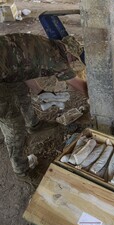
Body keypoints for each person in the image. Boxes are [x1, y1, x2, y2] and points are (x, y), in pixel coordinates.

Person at [0, 33, 88, 177]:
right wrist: (98, 99)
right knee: (12, 122)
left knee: (21, 89)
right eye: (73, 58)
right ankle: (20, 166)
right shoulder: (57, 59)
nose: (71, 62)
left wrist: (40, 92)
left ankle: (33, 124)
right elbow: (81, 86)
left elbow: (25, 69)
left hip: (5, 64)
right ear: (68, 51)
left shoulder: (43, 43)